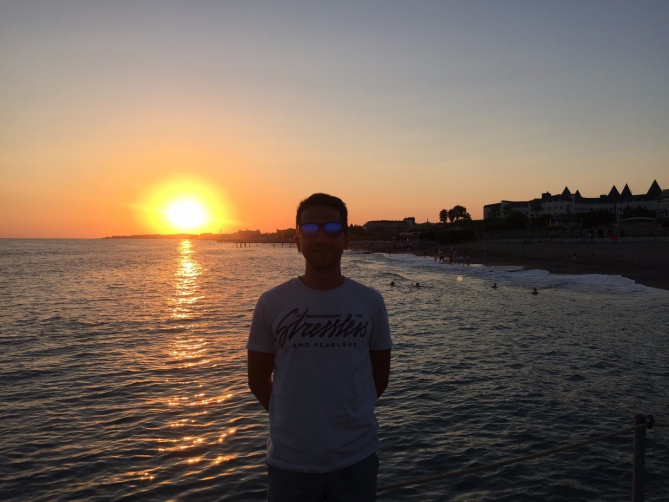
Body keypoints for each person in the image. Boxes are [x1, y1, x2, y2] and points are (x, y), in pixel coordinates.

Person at [247, 193, 392, 502]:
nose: (322, 237)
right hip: (290, 464)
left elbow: (379, 377)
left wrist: (348, 417)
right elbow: (257, 379)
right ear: (297, 240)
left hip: (356, 459)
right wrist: (294, 419)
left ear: (346, 239)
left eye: (332, 228)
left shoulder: (370, 302)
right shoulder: (271, 303)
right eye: (311, 229)